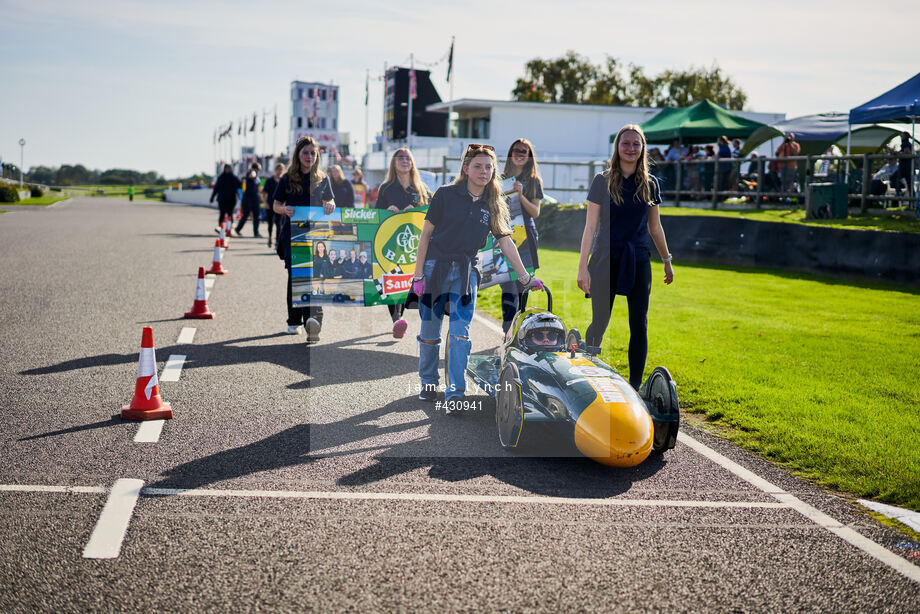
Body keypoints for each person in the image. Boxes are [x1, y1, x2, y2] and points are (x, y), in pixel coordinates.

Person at [411, 144, 544, 411]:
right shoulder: (445, 195)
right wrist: (417, 276)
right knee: (429, 333)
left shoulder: (493, 201)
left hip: (466, 273)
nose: (484, 171)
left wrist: (525, 277)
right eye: (478, 166)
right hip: (434, 269)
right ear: (465, 168)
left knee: (460, 334)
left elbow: (506, 242)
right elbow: (425, 235)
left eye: (488, 167)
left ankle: (455, 394)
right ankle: (427, 382)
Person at [576, 124, 674, 390]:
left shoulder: (650, 184)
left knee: (639, 324)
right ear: (617, 148)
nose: (630, 148)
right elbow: (590, 227)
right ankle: (589, 373)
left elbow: (655, 227)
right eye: (625, 143)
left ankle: (635, 386)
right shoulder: (602, 180)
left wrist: (666, 259)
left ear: (642, 149)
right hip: (606, 258)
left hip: (639, 259)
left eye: (636, 144)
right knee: (600, 321)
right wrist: (582, 267)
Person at [272, 136, 335, 342]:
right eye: (305, 153)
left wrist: (330, 204)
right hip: (292, 236)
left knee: (316, 276)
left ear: (317, 156)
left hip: (317, 237)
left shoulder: (322, 178)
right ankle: (293, 321)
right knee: (296, 277)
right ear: (298, 155)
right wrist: (283, 209)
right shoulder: (287, 178)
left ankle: (313, 322)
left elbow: (330, 200)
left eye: (312, 153)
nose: (309, 156)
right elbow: (275, 205)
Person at [376, 148, 432, 338]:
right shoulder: (386, 187)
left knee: (410, 279)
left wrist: (415, 209)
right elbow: (376, 215)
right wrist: (387, 210)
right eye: (400, 158)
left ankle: (402, 317)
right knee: (391, 280)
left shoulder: (421, 188)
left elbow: (432, 210)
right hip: (392, 242)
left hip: (416, 242)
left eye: (408, 158)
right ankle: (397, 319)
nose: (404, 161)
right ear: (394, 162)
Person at [498, 138, 544, 334]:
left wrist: (520, 194)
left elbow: (535, 212)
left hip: (526, 239)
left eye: (524, 151)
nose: (519, 153)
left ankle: (518, 333)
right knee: (507, 287)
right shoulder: (499, 178)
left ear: (529, 156)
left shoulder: (534, 181)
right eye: (516, 150)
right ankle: (507, 329)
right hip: (503, 237)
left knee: (523, 288)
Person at [210, 164, 241, 231]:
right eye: (226, 168)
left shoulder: (234, 178)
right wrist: (212, 198)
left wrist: (240, 197)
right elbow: (216, 188)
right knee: (222, 214)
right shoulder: (221, 177)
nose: (227, 169)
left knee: (230, 214)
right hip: (222, 199)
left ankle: (229, 229)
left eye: (228, 168)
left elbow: (239, 187)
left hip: (231, 199)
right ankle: (220, 228)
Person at [237, 162, 262, 237]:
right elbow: (251, 175)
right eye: (259, 169)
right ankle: (238, 229)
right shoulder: (251, 173)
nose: (260, 170)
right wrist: (252, 172)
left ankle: (256, 232)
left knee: (256, 216)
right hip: (248, 198)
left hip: (255, 198)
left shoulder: (257, 176)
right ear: (256, 168)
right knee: (246, 215)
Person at [262, 163, 284, 248]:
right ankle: (270, 237)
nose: (280, 171)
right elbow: (263, 193)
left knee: (279, 224)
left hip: (280, 207)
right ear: (275, 170)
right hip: (270, 205)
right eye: (278, 169)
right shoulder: (270, 181)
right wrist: (265, 203)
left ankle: (277, 242)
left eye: (281, 169)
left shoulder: (284, 181)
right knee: (270, 223)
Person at [891, 131, 914, 199]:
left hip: (905, 166)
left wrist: (898, 153)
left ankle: (899, 192)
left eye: (902, 136)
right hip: (907, 166)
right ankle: (912, 198)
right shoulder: (907, 143)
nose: (901, 137)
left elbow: (907, 152)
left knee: (894, 178)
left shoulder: (905, 143)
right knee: (909, 183)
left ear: (906, 136)